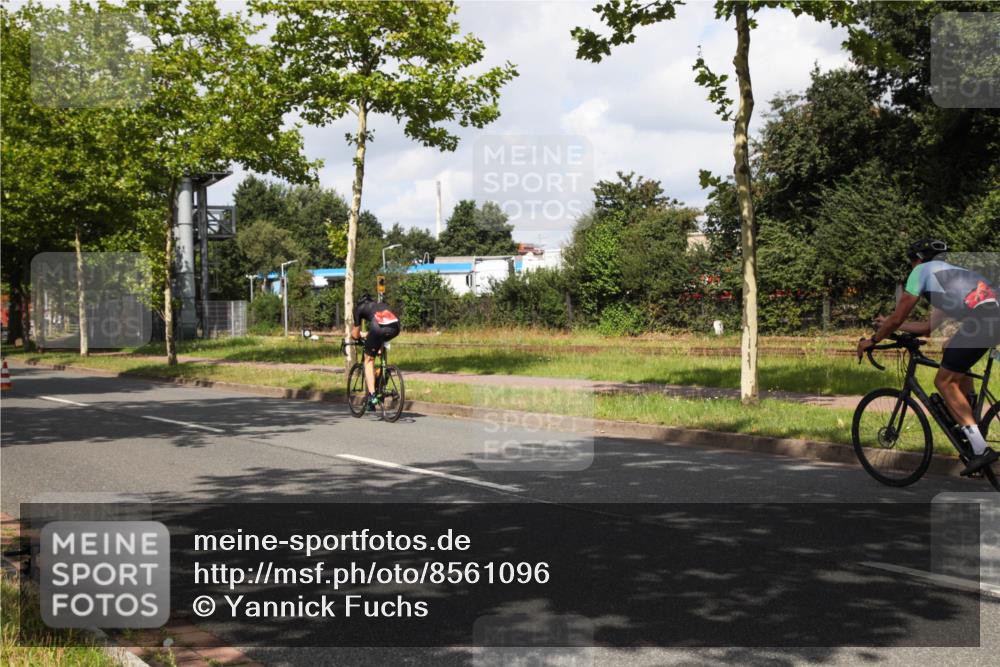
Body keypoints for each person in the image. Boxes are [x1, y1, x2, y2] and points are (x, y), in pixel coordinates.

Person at [858, 239, 1000, 475]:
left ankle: (980, 449)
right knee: (949, 349)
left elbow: (897, 318)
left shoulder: (921, 272)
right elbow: (926, 327)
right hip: (992, 318)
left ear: (918, 259)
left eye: (911, 261)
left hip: (985, 321)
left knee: (943, 381)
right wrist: (892, 327)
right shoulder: (951, 278)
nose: (911, 266)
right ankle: (969, 408)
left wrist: (872, 340)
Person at [351, 292, 400, 410]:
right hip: (396, 327)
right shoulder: (381, 304)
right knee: (379, 342)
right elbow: (383, 324)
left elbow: (355, 334)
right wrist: (369, 334)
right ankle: (382, 376)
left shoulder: (359, 308)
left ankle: (372, 395)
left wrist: (359, 336)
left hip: (377, 328)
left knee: (368, 360)